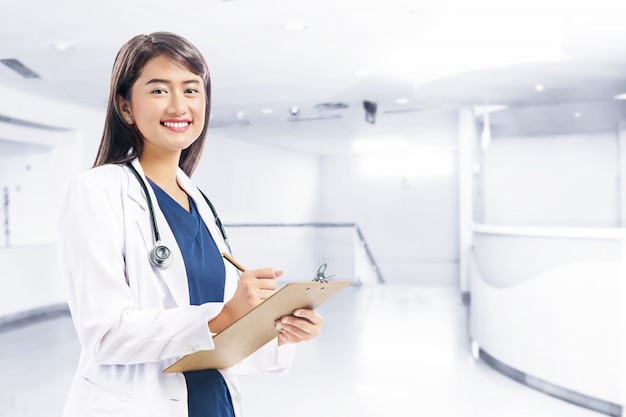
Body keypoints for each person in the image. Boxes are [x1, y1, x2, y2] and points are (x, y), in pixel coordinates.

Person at [57, 31, 324, 417]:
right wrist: (225, 314)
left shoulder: (200, 204)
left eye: (192, 90)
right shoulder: (95, 191)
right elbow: (105, 335)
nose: (179, 105)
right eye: (159, 90)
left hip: (211, 402)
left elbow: (216, 339)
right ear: (126, 107)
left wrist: (278, 330)